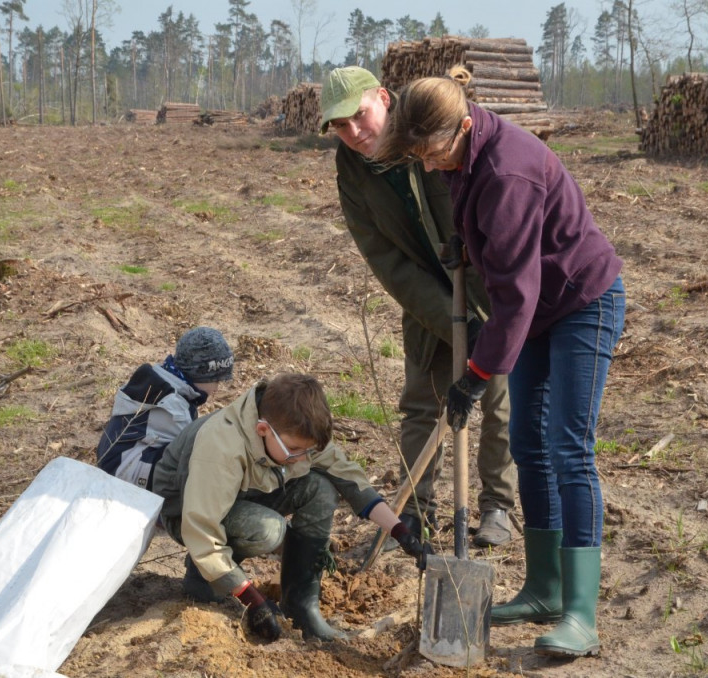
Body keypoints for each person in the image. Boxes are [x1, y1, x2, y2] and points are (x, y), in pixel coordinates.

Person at [373, 66, 626, 659]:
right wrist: (463, 242)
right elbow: (490, 244)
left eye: (433, 154)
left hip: (581, 302)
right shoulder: (465, 151)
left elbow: (515, 294)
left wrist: (478, 375)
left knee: (568, 447)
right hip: (539, 309)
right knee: (527, 441)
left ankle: (581, 615)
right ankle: (542, 588)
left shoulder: (508, 169)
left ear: (463, 127)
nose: (430, 167)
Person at [319, 66, 517, 548]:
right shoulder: (351, 170)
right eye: (341, 126)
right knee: (420, 406)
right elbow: (384, 258)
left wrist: (480, 315)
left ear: (383, 99)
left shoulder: (430, 123)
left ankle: (497, 507)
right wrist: (449, 322)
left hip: (483, 284)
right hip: (426, 298)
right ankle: (416, 514)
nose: (354, 133)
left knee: (496, 402)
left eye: (359, 116)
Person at [150, 372, 429, 642]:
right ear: (262, 429)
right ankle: (205, 577)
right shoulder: (222, 447)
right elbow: (201, 528)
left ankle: (300, 607)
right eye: (297, 450)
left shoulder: (295, 430)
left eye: (309, 451)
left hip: (241, 494)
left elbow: (347, 476)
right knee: (268, 530)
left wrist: (400, 531)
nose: (303, 458)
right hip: (187, 510)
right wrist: (253, 601)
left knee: (319, 488)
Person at [96, 326, 235, 492]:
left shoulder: (160, 381)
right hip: (122, 479)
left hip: (113, 462)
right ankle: (168, 512)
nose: (217, 389)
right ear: (200, 375)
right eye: (216, 381)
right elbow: (185, 456)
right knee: (196, 454)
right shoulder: (174, 407)